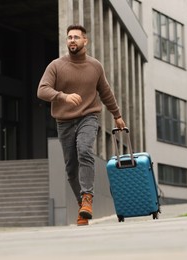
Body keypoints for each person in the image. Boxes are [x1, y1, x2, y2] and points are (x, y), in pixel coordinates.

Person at [37, 24, 126, 226]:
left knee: (84, 149)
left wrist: (117, 115)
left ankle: (87, 197)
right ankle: (82, 207)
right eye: (69, 37)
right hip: (64, 122)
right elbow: (42, 90)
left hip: (88, 116)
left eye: (76, 37)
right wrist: (63, 97)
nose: (72, 40)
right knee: (70, 168)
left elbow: (106, 92)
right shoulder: (56, 66)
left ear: (85, 41)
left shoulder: (95, 66)